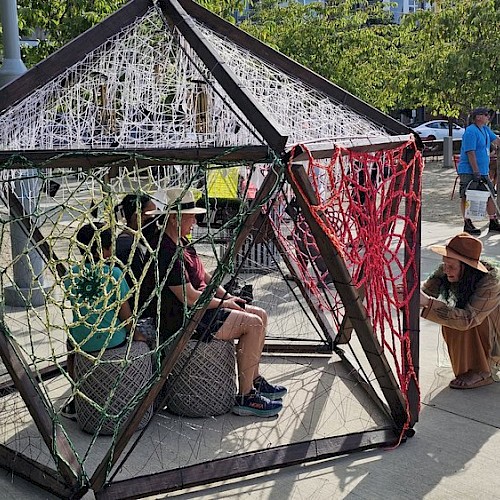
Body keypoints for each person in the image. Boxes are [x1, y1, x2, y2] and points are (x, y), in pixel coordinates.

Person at [143, 187, 287, 417]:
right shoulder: (166, 252)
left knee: (260, 314)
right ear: (174, 218)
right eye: (191, 216)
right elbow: (189, 297)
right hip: (185, 318)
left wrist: (227, 296)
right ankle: (246, 396)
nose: (195, 220)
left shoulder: (183, 242)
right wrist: (224, 304)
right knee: (253, 324)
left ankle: (255, 379)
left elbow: (205, 278)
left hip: (204, 307)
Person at [62, 223, 147, 419]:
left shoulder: (71, 274)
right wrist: (138, 335)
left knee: (71, 346)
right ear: (105, 249)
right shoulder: (115, 274)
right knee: (143, 340)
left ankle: (77, 398)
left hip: (82, 341)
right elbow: (125, 316)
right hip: (112, 340)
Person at [420, 232, 500, 389]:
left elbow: (469, 319)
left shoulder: (490, 282)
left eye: (451, 266)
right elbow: (424, 293)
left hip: (496, 332)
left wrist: (428, 303)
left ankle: (483, 370)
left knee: (466, 319)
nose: (446, 270)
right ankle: (472, 367)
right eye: (445, 264)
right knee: (450, 318)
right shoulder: (444, 271)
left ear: (467, 268)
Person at [457, 107, 500, 235]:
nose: (488, 117)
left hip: (483, 170)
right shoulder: (470, 132)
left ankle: (493, 221)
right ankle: (467, 222)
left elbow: (497, 141)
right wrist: (475, 171)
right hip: (469, 170)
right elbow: (470, 152)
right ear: (478, 117)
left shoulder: (485, 130)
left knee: (490, 194)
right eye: (486, 115)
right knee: (467, 195)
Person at [115, 193, 157, 316]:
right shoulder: (130, 247)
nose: (155, 221)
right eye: (151, 215)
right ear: (137, 217)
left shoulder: (135, 241)